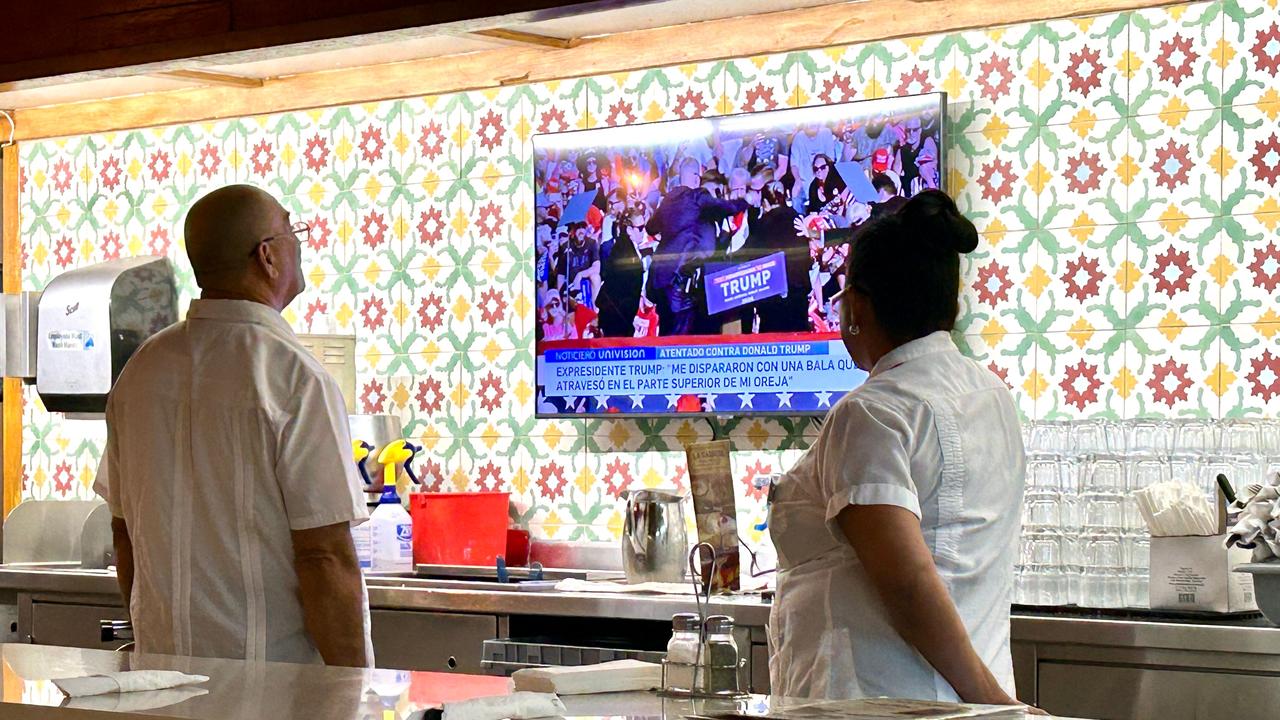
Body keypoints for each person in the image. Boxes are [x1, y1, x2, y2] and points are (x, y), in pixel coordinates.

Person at [767, 190, 1027, 707]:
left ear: (856, 307)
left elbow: (907, 582)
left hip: (875, 702)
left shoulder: (871, 412)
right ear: (950, 304)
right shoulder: (992, 395)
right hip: (959, 699)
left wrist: (994, 701)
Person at [95, 184, 372, 666]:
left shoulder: (140, 373)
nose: (299, 243)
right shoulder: (295, 378)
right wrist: (355, 693)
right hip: (271, 688)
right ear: (267, 256)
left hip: (160, 683)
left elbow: (124, 533)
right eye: (293, 230)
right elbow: (323, 556)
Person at [645, 158, 749, 336]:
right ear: (695, 178)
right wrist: (744, 201)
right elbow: (724, 206)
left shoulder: (668, 200)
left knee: (665, 333)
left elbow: (650, 227)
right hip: (681, 279)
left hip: (660, 279)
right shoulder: (697, 196)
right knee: (680, 338)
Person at [746, 184, 811, 333]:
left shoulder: (762, 225)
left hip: (772, 298)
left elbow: (748, 256)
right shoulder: (796, 219)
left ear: (765, 203)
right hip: (798, 294)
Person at [597, 208, 647, 338]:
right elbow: (621, 291)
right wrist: (630, 321)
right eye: (640, 228)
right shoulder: (625, 252)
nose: (644, 232)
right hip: (616, 318)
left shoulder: (624, 246)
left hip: (617, 315)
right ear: (630, 230)